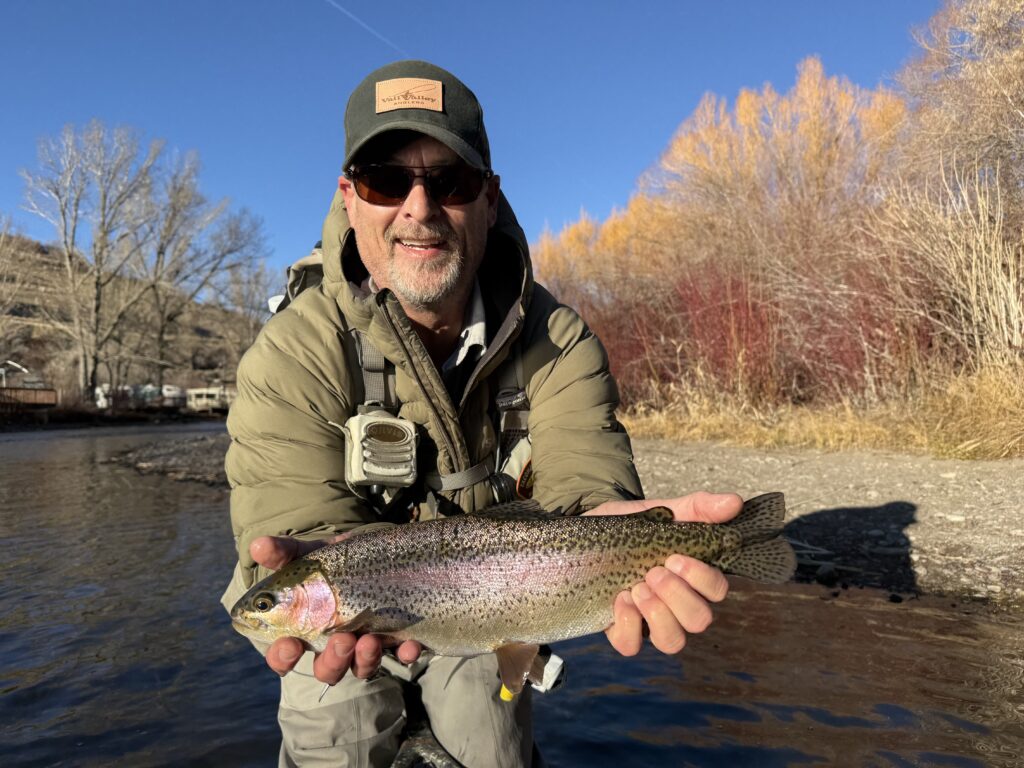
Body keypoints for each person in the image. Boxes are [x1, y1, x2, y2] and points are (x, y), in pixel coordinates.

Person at [221, 59, 739, 768]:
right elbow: (291, 525)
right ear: (349, 197)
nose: (419, 208)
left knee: (489, 738)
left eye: (451, 181)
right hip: (341, 632)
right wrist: (298, 582)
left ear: (489, 200)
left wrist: (625, 537)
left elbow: (588, 488)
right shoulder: (292, 352)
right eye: (385, 180)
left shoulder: (558, 341)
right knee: (336, 721)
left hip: (502, 605)